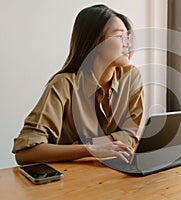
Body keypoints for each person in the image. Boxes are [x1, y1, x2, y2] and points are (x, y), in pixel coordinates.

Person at [12, 4, 144, 165]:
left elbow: (131, 134)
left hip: (111, 175)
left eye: (128, 37)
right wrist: (89, 149)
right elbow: (25, 152)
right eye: (119, 36)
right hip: (69, 181)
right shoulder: (63, 84)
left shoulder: (131, 77)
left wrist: (91, 143)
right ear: (95, 41)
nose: (128, 44)